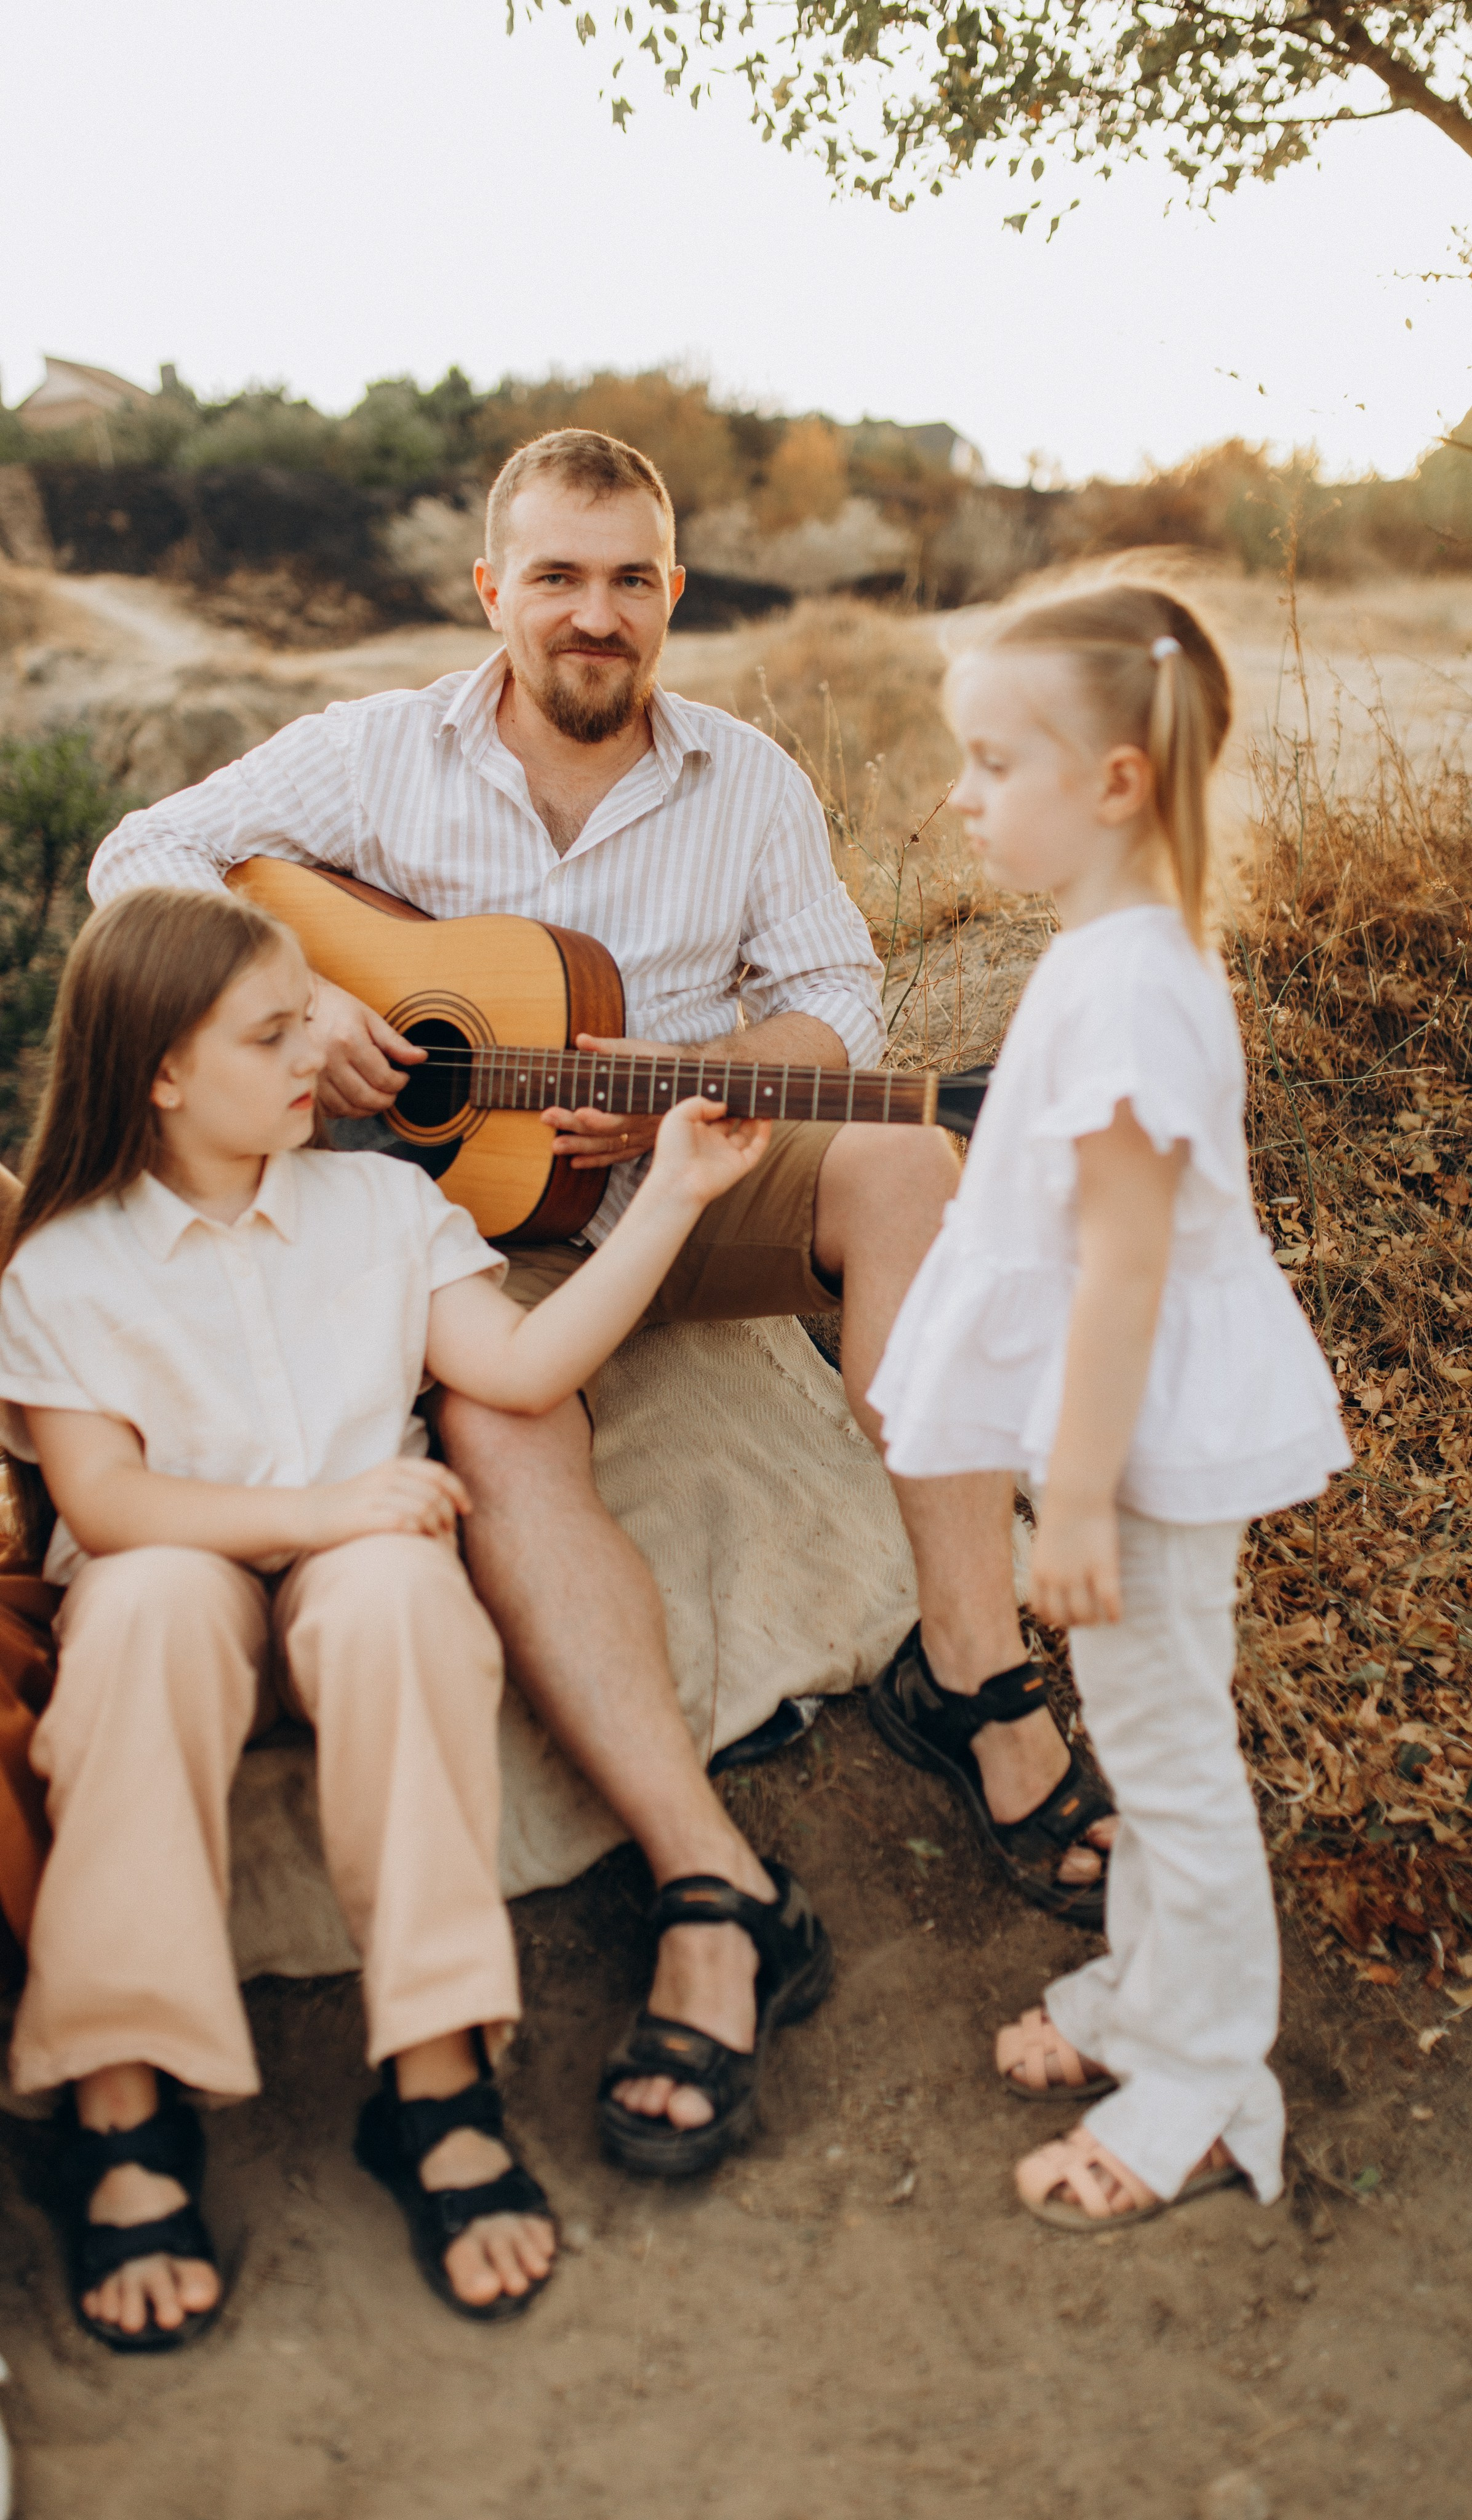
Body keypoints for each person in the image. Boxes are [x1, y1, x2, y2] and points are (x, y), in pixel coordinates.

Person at [86, 428, 1114, 2173]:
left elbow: (838, 1007)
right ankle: (710, 1881)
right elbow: (137, 859)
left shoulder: (746, 781)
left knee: (909, 1167)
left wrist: (685, 1079)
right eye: (554, 577)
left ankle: (973, 1680)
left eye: (629, 579)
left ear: (671, 599)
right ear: (492, 593)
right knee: (496, 1418)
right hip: (466, 1238)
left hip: (682, 1184)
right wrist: (291, 998)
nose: (593, 615)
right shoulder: (370, 756)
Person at [0, 885, 834, 2349]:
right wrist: (326, 1511)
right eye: (277, 1033)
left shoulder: (383, 1207)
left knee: (396, 1596)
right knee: (143, 1616)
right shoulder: (70, 1261)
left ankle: (437, 2074)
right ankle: (124, 2094)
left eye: (310, 1018)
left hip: (356, 1569)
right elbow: (112, 1502)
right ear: (165, 1073)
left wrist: (686, 1195)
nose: (317, 1054)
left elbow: (517, 1369)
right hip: (179, 1568)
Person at [869, 584, 1350, 2228]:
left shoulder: (1135, 985)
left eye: (997, 761)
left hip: (1142, 1437)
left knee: (1170, 1752)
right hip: (1124, 1426)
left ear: (1120, 784)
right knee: (1149, 1736)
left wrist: (1070, 1502)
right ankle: (1150, 2001)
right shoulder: (1106, 954)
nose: (964, 794)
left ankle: (1210, 2083)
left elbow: (1126, 1271)